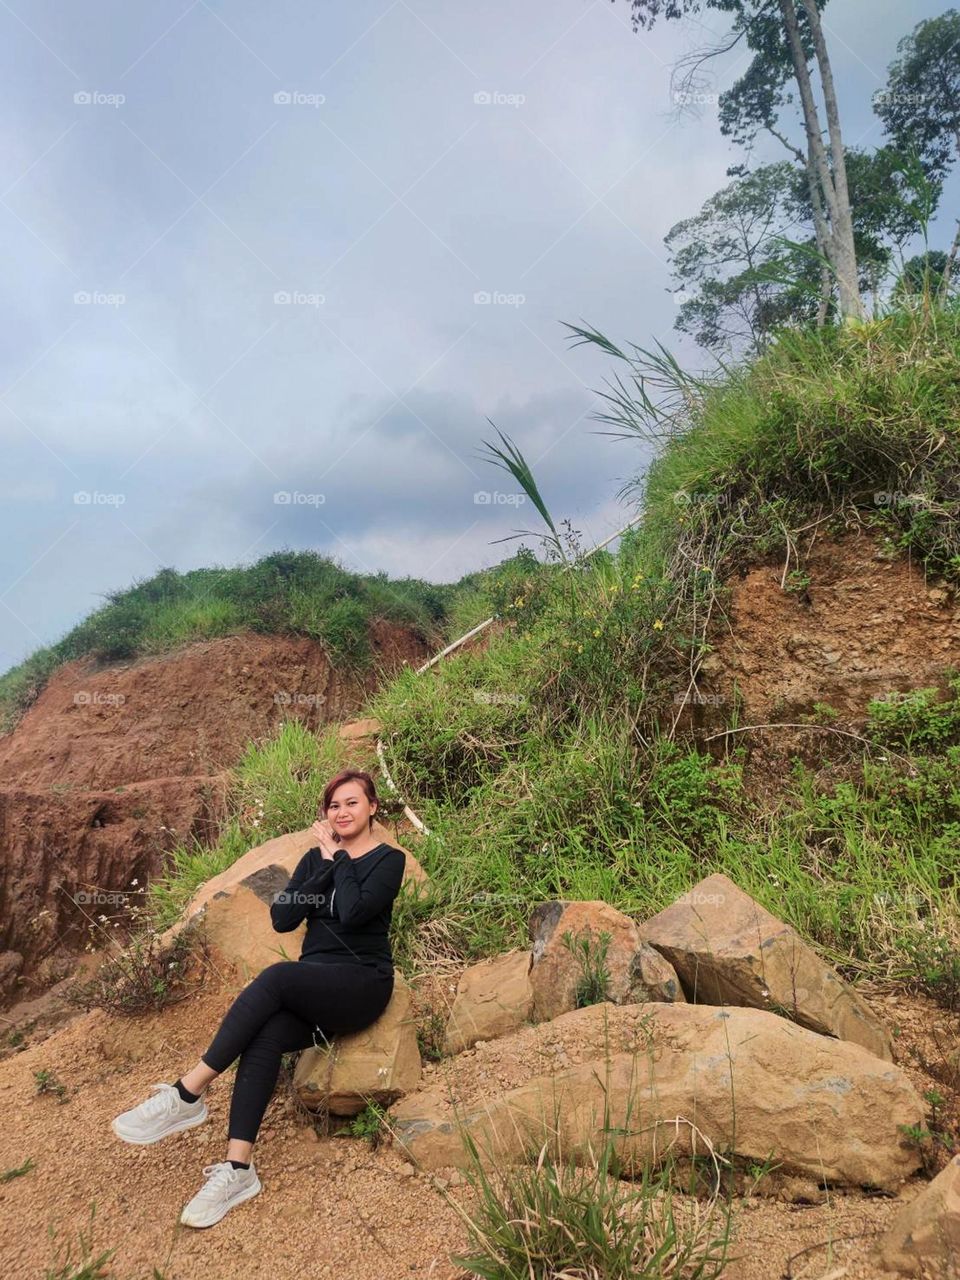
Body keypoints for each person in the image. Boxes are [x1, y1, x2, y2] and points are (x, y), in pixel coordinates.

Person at [111, 769, 405, 1228]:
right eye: (334, 805)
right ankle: (237, 1168)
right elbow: (284, 919)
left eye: (351, 803)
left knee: (276, 978)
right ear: (324, 814)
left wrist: (339, 858)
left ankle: (188, 1092)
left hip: (363, 983)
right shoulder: (315, 860)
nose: (342, 812)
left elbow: (354, 912)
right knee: (265, 1035)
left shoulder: (388, 859)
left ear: (372, 808)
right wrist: (324, 863)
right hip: (315, 983)